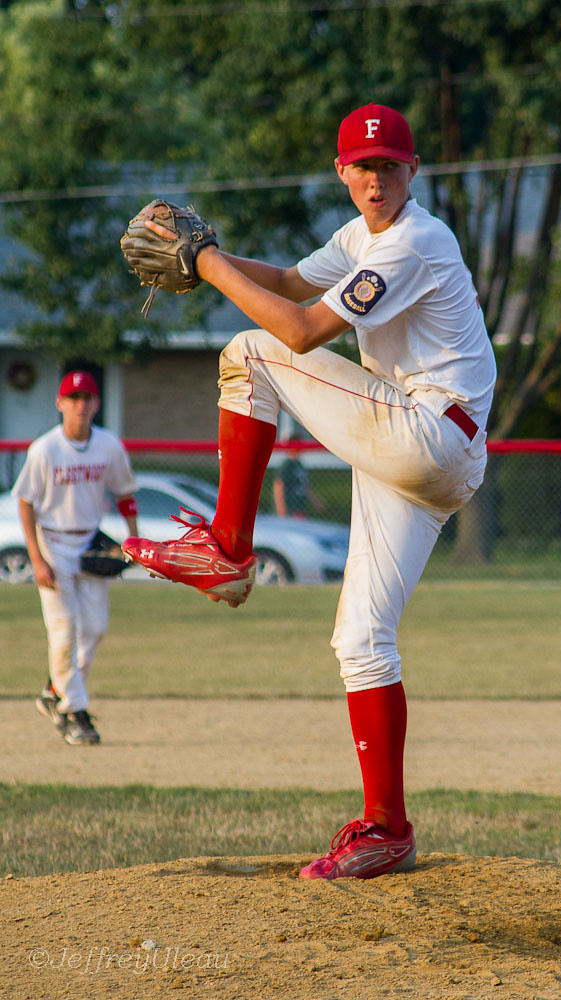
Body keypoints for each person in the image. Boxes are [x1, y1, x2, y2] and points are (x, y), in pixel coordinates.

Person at [123, 103, 496, 878]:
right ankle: (386, 827)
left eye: (389, 165)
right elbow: (294, 282)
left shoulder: (415, 241)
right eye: (362, 167)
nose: (375, 179)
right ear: (341, 173)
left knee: (251, 351)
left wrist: (207, 266)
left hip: (427, 430)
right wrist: (212, 257)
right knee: (359, 642)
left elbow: (296, 330)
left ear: (412, 171)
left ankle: (227, 550)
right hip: (423, 449)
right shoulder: (360, 240)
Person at [13, 371, 138, 746]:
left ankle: (54, 691)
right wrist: (36, 558)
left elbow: (125, 493)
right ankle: (74, 711)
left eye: (87, 398)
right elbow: (25, 502)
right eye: (74, 397)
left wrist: (132, 540)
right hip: (52, 542)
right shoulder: (45, 449)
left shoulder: (108, 445)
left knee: (95, 628)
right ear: (60, 403)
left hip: (90, 544)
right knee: (64, 629)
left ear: (97, 404)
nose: (80, 405)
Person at [272, 438, 325, 518]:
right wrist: (281, 506)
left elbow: (305, 486)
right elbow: (278, 484)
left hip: (299, 506)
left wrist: (316, 501)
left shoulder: (300, 464)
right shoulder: (287, 465)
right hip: (289, 506)